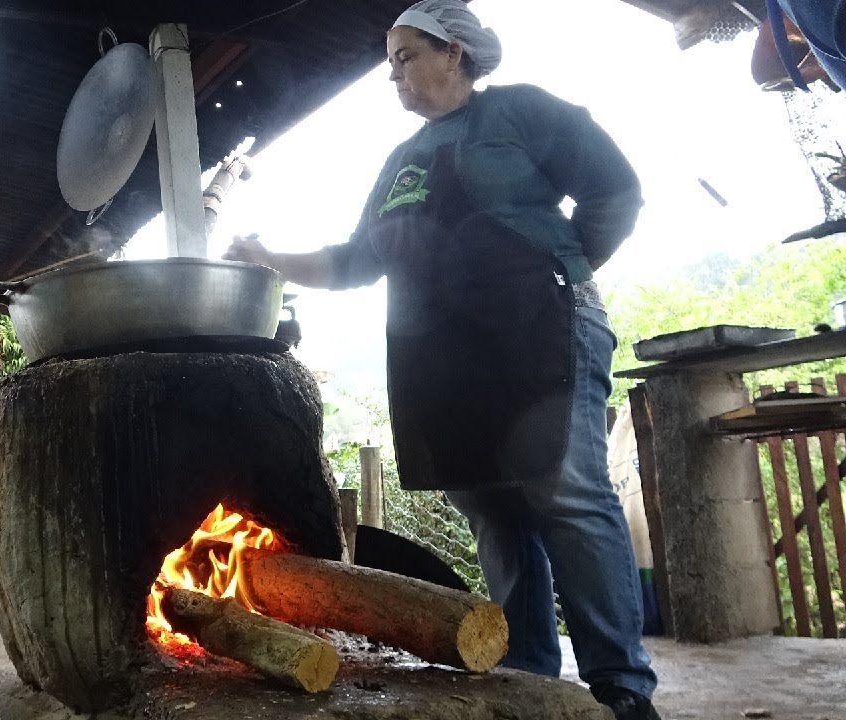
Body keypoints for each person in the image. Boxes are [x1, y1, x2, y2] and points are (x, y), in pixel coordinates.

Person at [223, 2, 659, 718]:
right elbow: (355, 260)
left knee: (566, 496)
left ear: (453, 52)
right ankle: (528, 679)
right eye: (388, 61)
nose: (391, 73)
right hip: (444, 359)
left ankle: (621, 687)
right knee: (491, 507)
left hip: (537, 334)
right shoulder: (400, 164)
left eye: (405, 56)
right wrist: (266, 258)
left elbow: (616, 189)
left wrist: (558, 273)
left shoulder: (520, 113)